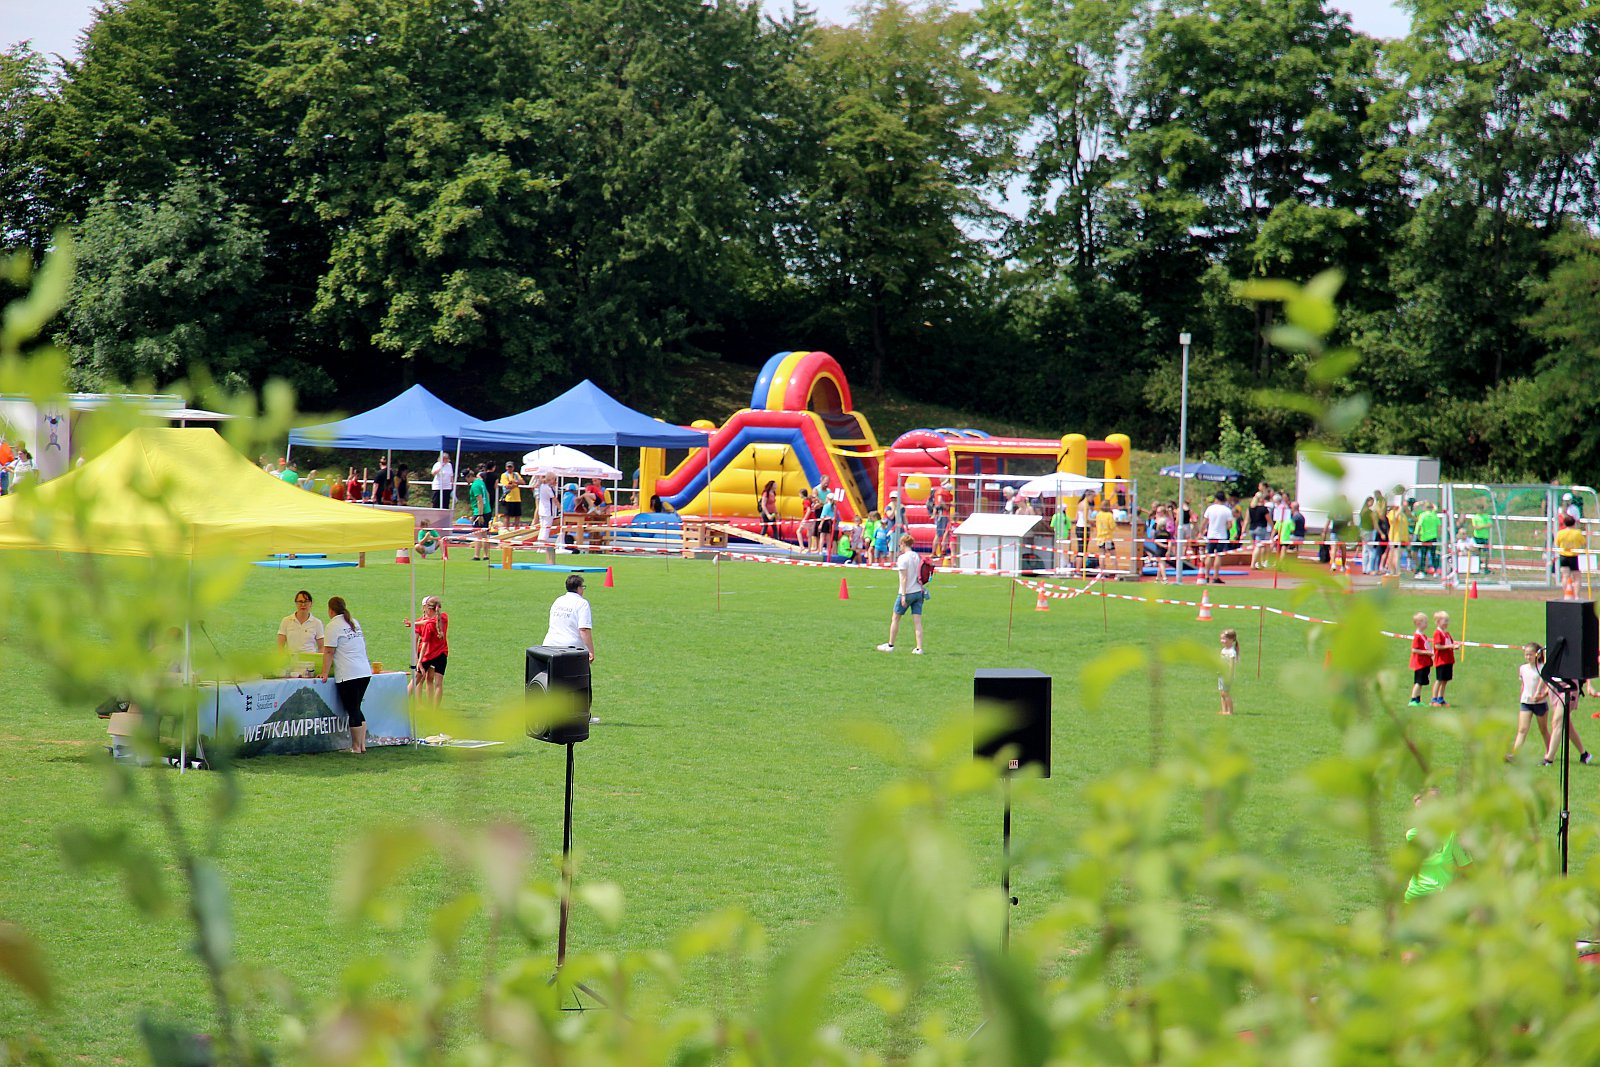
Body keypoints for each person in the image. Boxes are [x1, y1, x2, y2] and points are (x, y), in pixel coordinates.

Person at [319, 596, 373, 754]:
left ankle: (356, 746)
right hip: (364, 670)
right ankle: (362, 745)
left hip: (349, 673)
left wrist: (324, 672)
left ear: (330, 610)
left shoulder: (333, 626)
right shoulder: (353, 622)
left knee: (353, 709)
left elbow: (329, 652)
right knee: (357, 707)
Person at [1403, 789, 1471, 903]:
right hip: (1429, 900)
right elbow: (1466, 868)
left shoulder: (1412, 835)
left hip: (1425, 900)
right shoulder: (1412, 835)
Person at [877, 533, 926, 654]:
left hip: (907, 592)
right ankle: (919, 647)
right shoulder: (917, 556)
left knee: (895, 618)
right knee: (917, 621)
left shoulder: (903, 558)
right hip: (918, 591)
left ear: (903, 544)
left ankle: (890, 645)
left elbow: (903, 578)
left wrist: (903, 595)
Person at [1508, 643, 1553, 762]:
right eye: (1526, 654)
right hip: (1526, 703)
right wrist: (1522, 696)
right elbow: (1523, 684)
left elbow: (1549, 685)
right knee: (1522, 730)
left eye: (1531, 655)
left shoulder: (1542, 668)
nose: (1528, 657)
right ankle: (1515, 754)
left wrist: (1542, 695)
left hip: (1540, 704)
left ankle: (1550, 752)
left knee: (1543, 730)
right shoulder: (1523, 668)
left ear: (1538, 655)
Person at [406, 595, 449, 705]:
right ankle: (434, 711)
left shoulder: (429, 625)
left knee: (415, 680)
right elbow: (429, 621)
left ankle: (401, 704)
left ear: (428, 608)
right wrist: (413, 623)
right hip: (442, 654)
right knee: (438, 684)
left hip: (427, 655)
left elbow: (424, 644)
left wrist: (419, 661)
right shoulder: (444, 617)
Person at [543, 574, 595, 662]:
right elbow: (584, 629)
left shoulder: (559, 600)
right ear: (578, 588)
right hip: (570, 649)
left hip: (550, 645)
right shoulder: (582, 603)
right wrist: (590, 651)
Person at [276, 589, 325, 673]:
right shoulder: (286, 621)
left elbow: (321, 647)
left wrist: (320, 666)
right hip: (291, 664)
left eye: (306, 601)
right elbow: (280, 646)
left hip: (310, 665)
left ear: (311, 603)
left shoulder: (317, 623)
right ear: (296, 603)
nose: (303, 604)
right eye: (300, 602)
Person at [1430, 611, 1459, 706]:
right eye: (1445, 621)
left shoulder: (1447, 634)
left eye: (1448, 620)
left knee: (1445, 680)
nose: (1447, 623)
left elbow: (1451, 643)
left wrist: (1455, 645)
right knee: (1439, 680)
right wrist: (1450, 646)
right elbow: (1437, 646)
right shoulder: (1437, 633)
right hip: (1441, 661)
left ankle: (1441, 698)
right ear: (1438, 622)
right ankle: (1434, 699)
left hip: (1448, 660)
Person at [1202, 491, 1232, 584]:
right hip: (1222, 536)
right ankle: (1215, 576)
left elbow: (1204, 522)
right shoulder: (1227, 510)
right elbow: (1230, 525)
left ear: (1216, 499)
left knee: (1209, 555)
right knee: (1218, 556)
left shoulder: (1210, 508)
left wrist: (1201, 531)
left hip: (1211, 535)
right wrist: (1224, 528)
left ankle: (1206, 575)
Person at [1556, 513, 1585, 600]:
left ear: (1564, 523)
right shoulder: (1577, 533)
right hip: (1574, 557)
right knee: (1577, 577)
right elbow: (1583, 542)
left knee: (1565, 576)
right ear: (1574, 523)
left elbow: (1557, 543)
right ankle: (1576, 596)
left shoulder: (1560, 533)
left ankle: (1566, 594)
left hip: (1564, 556)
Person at [1407, 612, 1433, 707]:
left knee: (1421, 682)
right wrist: (1427, 652)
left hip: (1425, 662)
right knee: (1418, 682)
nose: (1427, 624)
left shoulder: (1423, 635)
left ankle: (1418, 700)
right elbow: (1414, 650)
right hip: (1420, 663)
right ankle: (1413, 700)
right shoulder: (1417, 636)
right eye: (1425, 622)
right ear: (1418, 623)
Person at [1412, 500, 1441, 577]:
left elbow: (1419, 525)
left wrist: (1417, 534)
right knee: (1433, 555)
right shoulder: (1434, 515)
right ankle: (1435, 571)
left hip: (1424, 538)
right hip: (1433, 537)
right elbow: (1439, 526)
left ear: (1425, 507)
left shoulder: (1423, 515)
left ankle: (1422, 571)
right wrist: (1438, 535)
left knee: (1423, 555)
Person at [469, 465, 492, 560]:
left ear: (469, 476)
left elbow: (479, 500)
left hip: (480, 512)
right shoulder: (481, 482)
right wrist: (488, 506)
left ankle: (476, 555)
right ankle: (486, 555)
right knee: (484, 534)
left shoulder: (475, 485)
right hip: (487, 510)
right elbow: (487, 494)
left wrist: (480, 514)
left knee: (478, 534)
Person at [1247, 490, 1272, 569]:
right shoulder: (1263, 509)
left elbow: (1247, 519)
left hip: (1252, 528)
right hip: (1260, 528)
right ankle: (1253, 564)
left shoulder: (1250, 508)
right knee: (1258, 546)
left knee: (1257, 546)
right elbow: (1268, 519)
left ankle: (1259, 563)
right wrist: (1273, 527)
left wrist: (1244, 529)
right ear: (1261, 499)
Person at [1094, 497, 1119, 573]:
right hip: (1108, 538)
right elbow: (1112, 526)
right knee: (1113, 555)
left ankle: (1102, 571)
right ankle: (1116, 571)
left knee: (1102, 555)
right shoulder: (1109, 515)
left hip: (1100, 538)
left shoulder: (1098, 514)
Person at [931, 479, 954, 559]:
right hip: (942, 515)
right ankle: (935, 552)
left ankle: (942, 550)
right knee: (939, 534)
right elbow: (940, 501)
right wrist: (946, 507)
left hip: (943, 515)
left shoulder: (942, 492)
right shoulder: (941, 492)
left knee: (944, 533)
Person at [1218, 628, 1239, 715]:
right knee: (1222, 693)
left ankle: (1230, 711)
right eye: (1221, 638)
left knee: (1226, 693)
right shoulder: (1223, 650)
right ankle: (1224, 710)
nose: (1222, 641)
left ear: (1231, 640)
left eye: (1224, 638)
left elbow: (1231, 665)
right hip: (1221, 674)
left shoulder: (1231, 652)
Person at [498, 462, 523, 527]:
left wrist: (514, 482)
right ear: (506, 467)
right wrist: (516, 484)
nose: (509, 468)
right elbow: (507, 486)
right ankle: (506, 529)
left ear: (513, 467)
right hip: (508, 498)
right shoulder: (504, 475)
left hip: (517, 498)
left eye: (511, 467)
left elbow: (523, 482)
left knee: (517, 516)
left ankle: (516, 529)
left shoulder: (516, 474)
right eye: (508, 467)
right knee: (507, 516)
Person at [536, 474, 558, 544]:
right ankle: (543, 543)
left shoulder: (542, 486)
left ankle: (540, 544)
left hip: (542, 510)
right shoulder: (549, 488)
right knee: (546, 528)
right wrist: (561, 509)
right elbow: (555, 500)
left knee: (542, 528)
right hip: (548, 511)